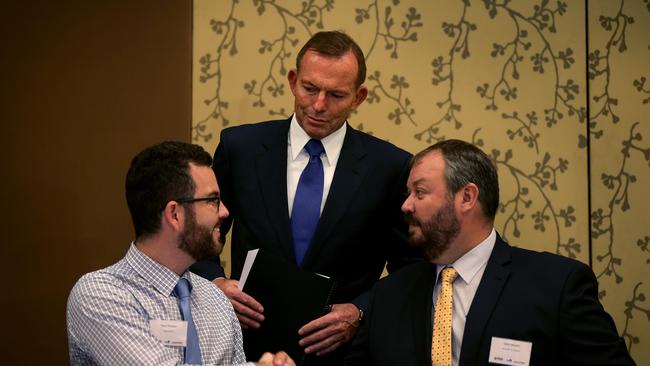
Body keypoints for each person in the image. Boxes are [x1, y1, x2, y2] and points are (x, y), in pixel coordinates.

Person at [190, 31, 420, 364]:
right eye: (310, 88)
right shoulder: (242, 148)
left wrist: (360, 311)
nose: (318, 105)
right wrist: (215, 284)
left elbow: (410, 270)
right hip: (246, 345)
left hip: (341, 353)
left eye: (337, 95)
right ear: (293, 80)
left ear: (359, 97)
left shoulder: (389, 167)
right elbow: (193, 237)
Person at [344, 139, 636, 366]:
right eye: (407, 194)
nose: (406, 206)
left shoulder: (556, 287)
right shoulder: (387, 296)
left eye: (419, 193)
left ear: (467, 197)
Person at [66, 141, 295, 366]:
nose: (225, 211)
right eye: (213, 200)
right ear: (174, 214)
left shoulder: (215, 298)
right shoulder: (101, 295)